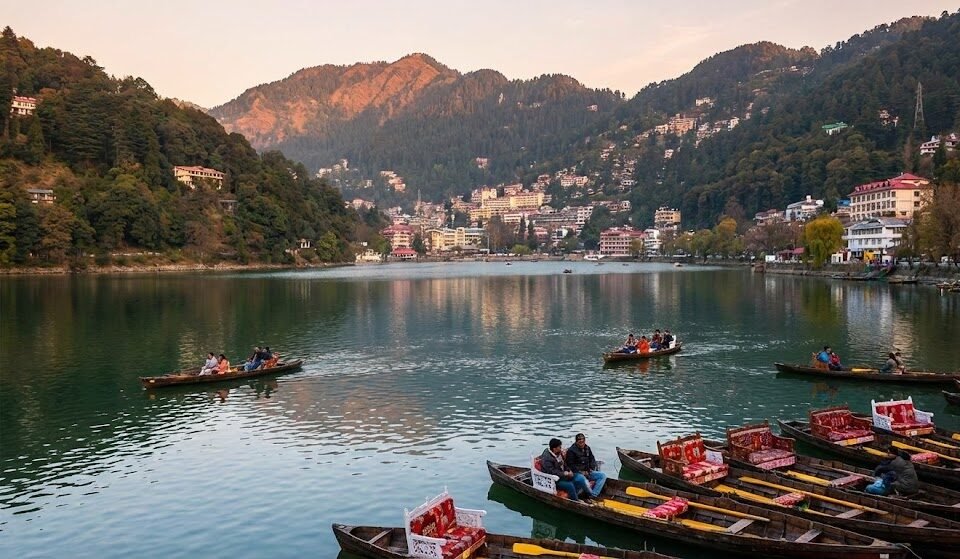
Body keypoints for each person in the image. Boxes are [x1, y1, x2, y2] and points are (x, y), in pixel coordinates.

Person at [540, 438, 592, 502]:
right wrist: (565, 473)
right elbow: (551, 471)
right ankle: (576, 501)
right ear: (554, 448)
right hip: (555, 479)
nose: (561, 448)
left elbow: (564, 464)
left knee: (580, 478)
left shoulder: (558, 453)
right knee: (570, 485)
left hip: (564, 475)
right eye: (559, 447)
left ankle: (589, 495)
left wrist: (569, 470)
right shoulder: (547, 458)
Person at [566, 433, 606, 499]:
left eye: (583, 441)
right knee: (582, 478)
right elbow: (570, 465)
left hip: (588, 471)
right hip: (577, 473)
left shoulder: (587, 448)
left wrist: (591, 468)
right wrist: (581, 472)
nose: (582, 444)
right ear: (576, 442)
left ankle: (593, 495)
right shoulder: (571, 451)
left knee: (602, 475)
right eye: (580, 442)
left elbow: (592, 459)